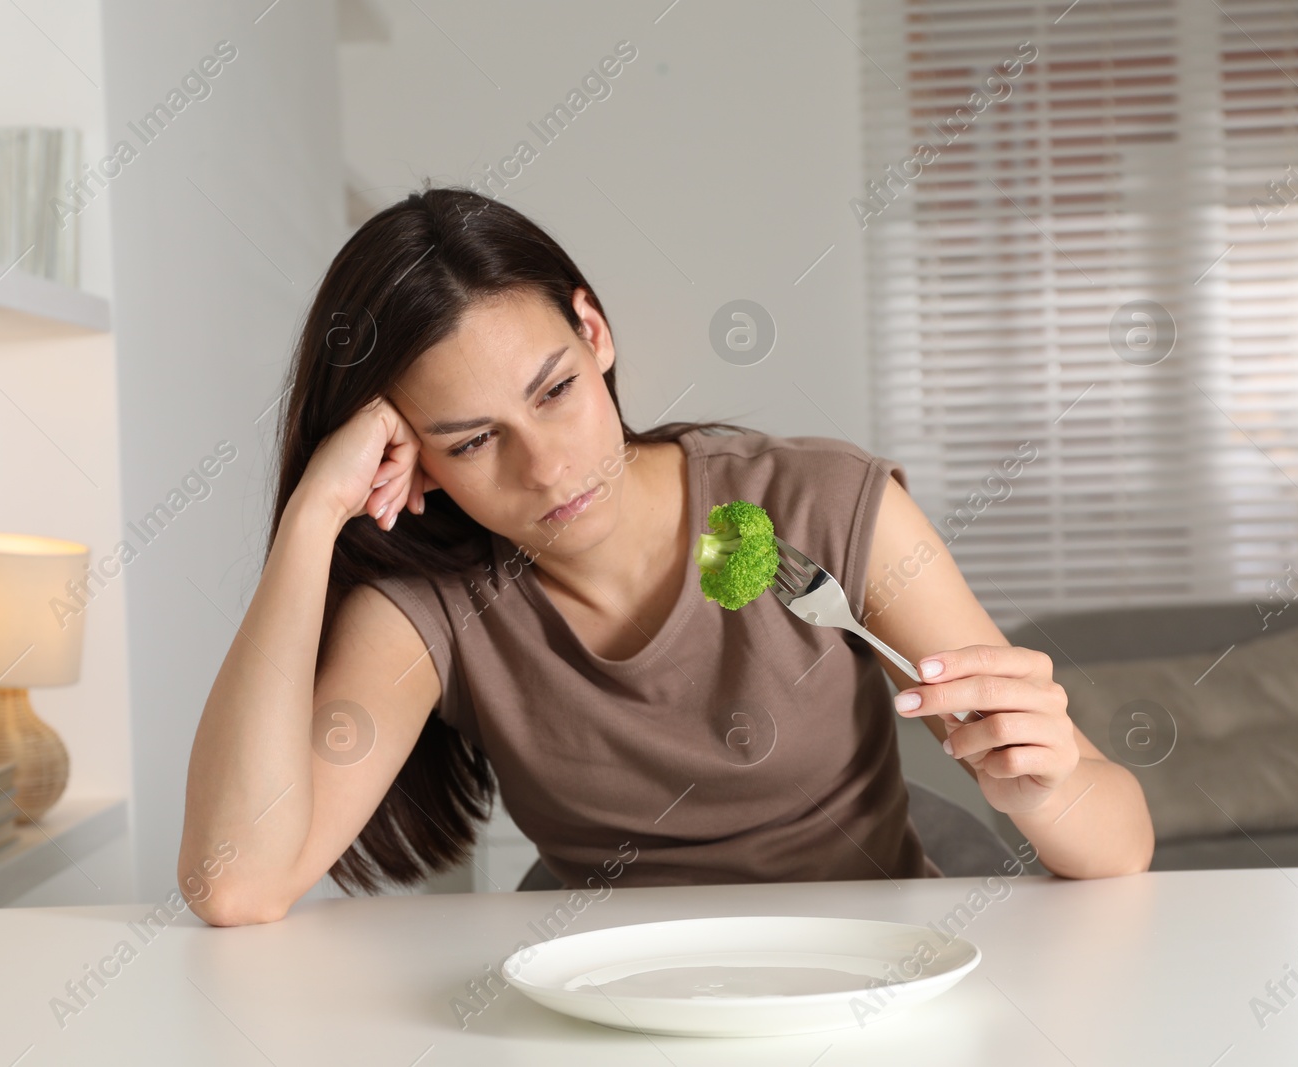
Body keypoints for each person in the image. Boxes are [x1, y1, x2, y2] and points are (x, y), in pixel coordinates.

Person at [178, 186, 1154, 926]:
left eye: (554, 389)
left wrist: (1046, 781)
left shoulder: (821, 504)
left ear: (593, 331)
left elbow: (1118, 847)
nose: (548, 464)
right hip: (613, 995)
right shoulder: (430, 608)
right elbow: (236, 882)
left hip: (868, 974)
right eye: (473, 440)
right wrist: (315, 515)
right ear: (410, 455)